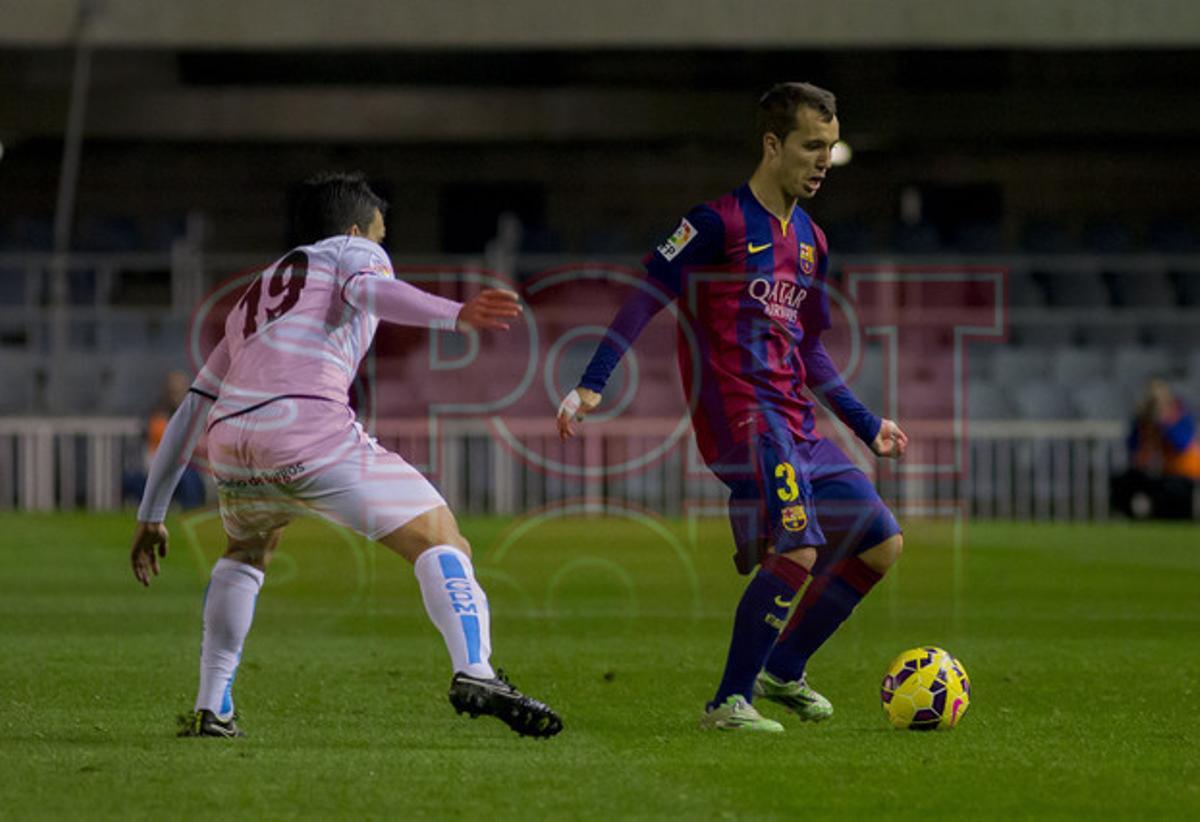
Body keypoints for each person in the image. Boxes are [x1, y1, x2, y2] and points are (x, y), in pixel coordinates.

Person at [130, 172, 562, 739]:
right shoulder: (352, 252)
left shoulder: (256, 294)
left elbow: (193, 403)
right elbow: (366, 290)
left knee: (247, 549)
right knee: (440, 538)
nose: (383, 250)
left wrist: (151, 513)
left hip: (232, 440)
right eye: (381, 237)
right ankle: (475, 670)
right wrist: (454, 314)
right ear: (358, 229)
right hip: (306, 425)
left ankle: (213, 707)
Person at [556, 83, 907, 732]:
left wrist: (867, 424)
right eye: (811, 146)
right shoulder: (716, 223)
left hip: (795, 424)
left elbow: (809, 351)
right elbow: (644, 294)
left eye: (830, 147)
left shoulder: (811, 241)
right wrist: (592, 382)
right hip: (741, 419)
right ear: (773, 146)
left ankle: (784, 668)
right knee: (800, 547)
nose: (824, 160)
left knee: (881, 543)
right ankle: (728, 702)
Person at [1111, 378, 1199, 519]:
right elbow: (1132, 447)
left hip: (1181, 474)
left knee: (1172, 492)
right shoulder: (1145, 422)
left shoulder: (1179, 417)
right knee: (1122, 481)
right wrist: (1142, 422)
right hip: (1154, 472)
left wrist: (1165, 423)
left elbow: (1182, 445)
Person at [123, 371, 206, 510]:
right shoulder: (158, 414)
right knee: (187, 478)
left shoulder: (191, 414)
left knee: (192, 478)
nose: (176, 395)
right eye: (173, 391)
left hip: (184, 465)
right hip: (157, 465)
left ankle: (191, 512)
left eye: (180, 391)